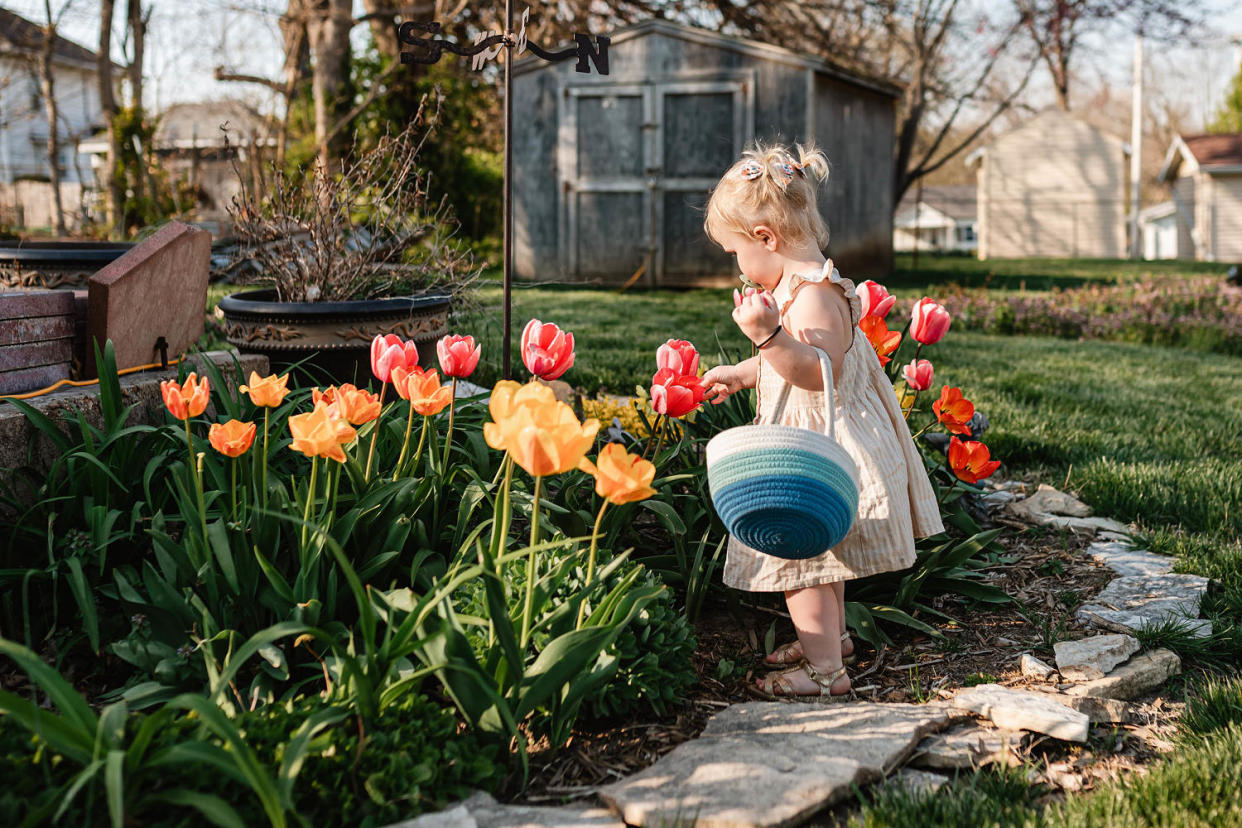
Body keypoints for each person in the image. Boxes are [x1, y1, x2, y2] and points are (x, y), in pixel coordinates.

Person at [699, 142, 945, 699]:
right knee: (819, 557)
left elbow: (817, 370)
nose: (737, 264)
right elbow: (791, 361)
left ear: (766, 238)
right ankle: (830, 641)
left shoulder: (810, 299)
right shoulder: (805, 285)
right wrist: (745, 370)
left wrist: (766, 335)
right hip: (820, 440)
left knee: (800, 560)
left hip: (815, 452)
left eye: (735, 251)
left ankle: (825, 671)